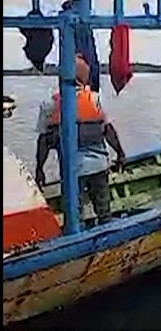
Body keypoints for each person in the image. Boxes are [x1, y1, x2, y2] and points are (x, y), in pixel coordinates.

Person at [35, 55, 126, 226]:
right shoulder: (95, 99)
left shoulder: (50, 104)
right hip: (98, 166)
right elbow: (108, 131)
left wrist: (40, 169)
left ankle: (77, 232)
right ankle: (106, 228)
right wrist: (120, 154)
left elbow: (43, 142)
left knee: (74, 214)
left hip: (72, 171)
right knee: (104, 210)